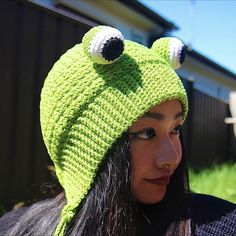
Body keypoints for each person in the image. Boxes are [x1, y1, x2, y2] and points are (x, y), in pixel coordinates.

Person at [0, 25, 235, 236]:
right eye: (146, 133)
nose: (172, 158)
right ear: (83, 148)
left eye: (175, 129)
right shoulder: (13, 228)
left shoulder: (219, 225)